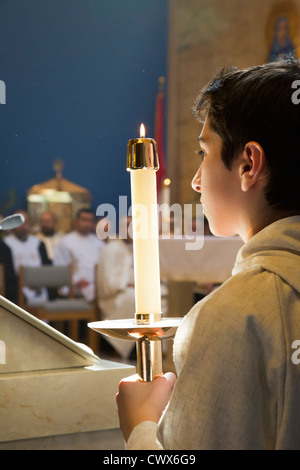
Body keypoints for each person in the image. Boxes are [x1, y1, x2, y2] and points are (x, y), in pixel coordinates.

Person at [116, 59, 300, 450]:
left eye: (204, 153)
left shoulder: (236, 316)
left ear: (248, 164)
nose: (196, 181)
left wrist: (141, 426)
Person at [96, 216, 136, 359]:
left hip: (125, 291)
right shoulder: (113, 248)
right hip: (112, 297)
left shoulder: (128, 248)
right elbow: (109, 282)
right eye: (128, 225)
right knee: (137, 298)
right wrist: (127, 284)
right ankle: (133, 346)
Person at [53, 208, 104, 302]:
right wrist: (76, 281)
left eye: (90, 220)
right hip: (75, 286)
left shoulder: (98, 243)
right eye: (84, 219)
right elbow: (60, 267)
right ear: (76, 221)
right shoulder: (65, 242)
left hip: (96, 284)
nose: (86, 223)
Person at [3, 210, 52, 305]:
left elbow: (47, 267)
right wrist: (27, 283)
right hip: (16, 287)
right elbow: (5, 273)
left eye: (25, 222)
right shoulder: (5, 245)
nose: (22, 226)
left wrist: (38, 283)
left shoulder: (39, 244)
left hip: (40, 286)